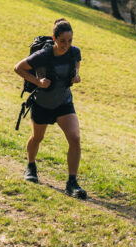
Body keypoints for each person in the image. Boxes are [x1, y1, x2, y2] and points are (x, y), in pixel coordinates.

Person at [13, 18, 86, 199]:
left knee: (75, 138)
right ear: (54, 38)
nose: (66, 45)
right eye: (62, 41)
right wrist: (38, 82)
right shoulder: (43, 55)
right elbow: (19, 68)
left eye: (69, 41)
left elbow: (76, 65)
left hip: (63, 103)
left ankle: (72, 182)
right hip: (42, 103)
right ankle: (30, 166)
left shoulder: (74, 52)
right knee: (37, 137)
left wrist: (76, 76)